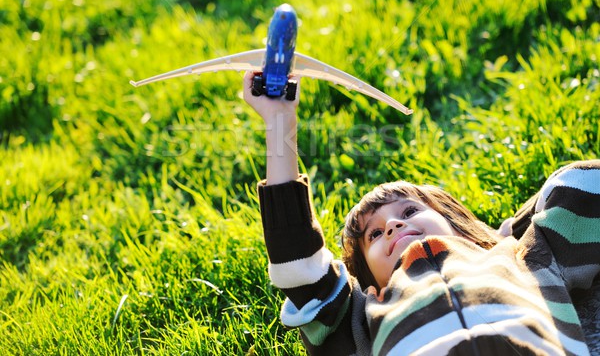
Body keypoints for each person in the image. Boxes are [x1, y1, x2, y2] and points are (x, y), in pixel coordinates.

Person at [242, 72, 600, 356]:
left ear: (456, 225)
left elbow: (580, 187)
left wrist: (506, 236)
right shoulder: (361, 321)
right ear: (368, 281)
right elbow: (299, 267)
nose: (394, 225)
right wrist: (278, 122)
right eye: (374, 235)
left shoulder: (525, 260)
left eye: (410, 210)